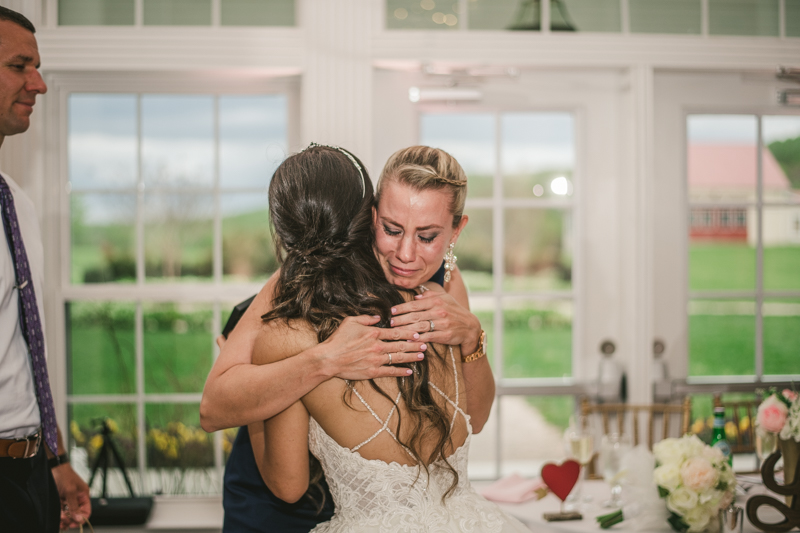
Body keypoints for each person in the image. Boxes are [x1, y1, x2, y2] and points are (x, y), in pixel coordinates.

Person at [200, 146, 493, 532]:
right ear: (370, 216)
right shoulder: (301, 278)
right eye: (391, 230)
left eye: (427, 236)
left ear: (456, 229)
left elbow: (474, 417)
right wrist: (323, 361)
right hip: (276, 498)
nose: (406, 253)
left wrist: (474, 337)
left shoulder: (446, 284)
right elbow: (213, 408)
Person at [0, 7, 92, 532]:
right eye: (20, 65)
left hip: (31, 474)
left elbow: (23, 344)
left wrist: (53, 460)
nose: (39, 84)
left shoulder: (18, 204)